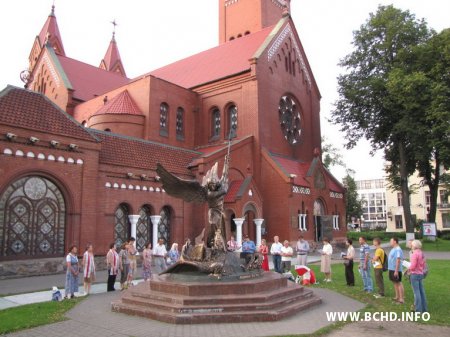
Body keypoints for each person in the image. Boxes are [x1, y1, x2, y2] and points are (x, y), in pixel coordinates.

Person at [408, 240, 428, 312]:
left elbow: (413, 266)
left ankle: (418, 310)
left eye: (412, 245)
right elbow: (423, 263)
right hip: (420, 273)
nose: (411, 246)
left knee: (416, 293)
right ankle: (424, 308)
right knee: (422, 292)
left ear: (415, 246)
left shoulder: (414, 254)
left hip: (415, 274)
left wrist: (408, 269)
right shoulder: (421, 253)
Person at [388, 237, 404, 304]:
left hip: (396, 269)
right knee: (394, 282)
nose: (390, 242)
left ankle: (401, 299)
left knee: (398, 283)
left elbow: (398, 260)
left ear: (395, 241)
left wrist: (396, 271)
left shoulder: (398, 249)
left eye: (391, 241)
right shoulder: (393, 249)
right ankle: (397, 296)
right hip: (391, 268)